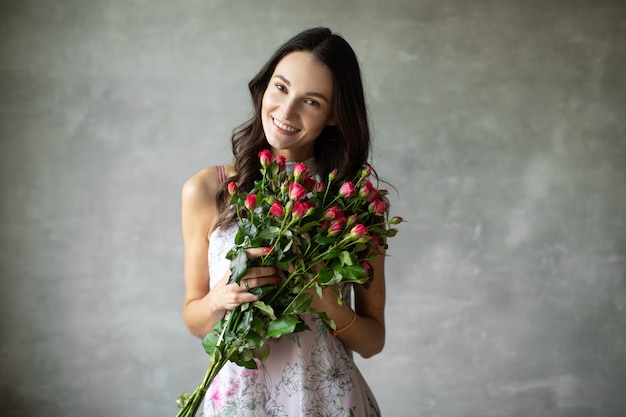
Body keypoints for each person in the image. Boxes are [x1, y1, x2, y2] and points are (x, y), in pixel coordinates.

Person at [181, 27, 386, 417]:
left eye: (311, 101)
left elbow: (373, 340)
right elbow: (195, 320)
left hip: (330, 402)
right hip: (240, 405)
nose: (286, 112)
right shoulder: (207, 190)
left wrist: (327, 305)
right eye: (280, 88)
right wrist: (219, 299)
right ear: (264, 86)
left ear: (334, 115)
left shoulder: (355, 203)